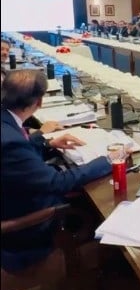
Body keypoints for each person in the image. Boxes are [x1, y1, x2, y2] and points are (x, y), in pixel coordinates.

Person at [1, 70, 124, 273]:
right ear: (39, 102)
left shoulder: (6, 121)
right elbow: (58, 182)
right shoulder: (10, 142)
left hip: (15, 200)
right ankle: (112, 265)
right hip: (26, 232)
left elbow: (17, 152)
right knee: (102, 202)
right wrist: (109, 160)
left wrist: (46, 142)